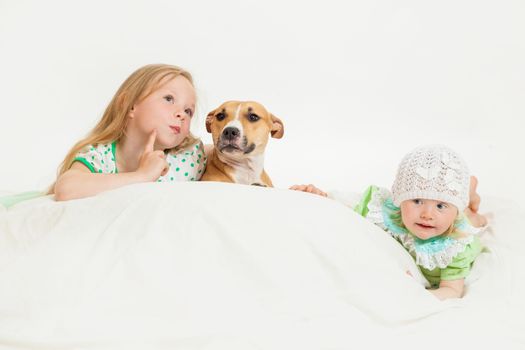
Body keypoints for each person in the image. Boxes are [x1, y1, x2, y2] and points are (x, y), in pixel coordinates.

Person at [291, 145, 487, 300]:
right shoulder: (387, 214)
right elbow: (346, 208)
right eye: (417, 200)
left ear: (454, 210)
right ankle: (464, 191)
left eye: (441, 206)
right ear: (399, 198)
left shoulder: (456, 248)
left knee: (475, 219)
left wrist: (418, 296)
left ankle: (468, 193)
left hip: (458, 223)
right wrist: (321, 196)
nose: (427, 214)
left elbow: (452, 290)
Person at [52, 64, 206, 201]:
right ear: (130, 105)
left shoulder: (189, 157)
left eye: (188, 111)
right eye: (169, 98)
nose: (182, 114)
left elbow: (223, 155)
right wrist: (142, 176)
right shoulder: (100, 156)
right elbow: (66, 189)